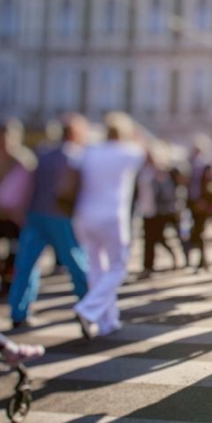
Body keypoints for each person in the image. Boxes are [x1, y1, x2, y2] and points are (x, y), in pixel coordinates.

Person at [6, 113, 91, 329]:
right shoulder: (75, 156)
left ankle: (19, 311)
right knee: (75, 261)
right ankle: (88, 307)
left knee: (27, 264)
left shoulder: (42, 153)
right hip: (60, 216)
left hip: (35, 215)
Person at [71, 112, 146, 338]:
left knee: (96, 268)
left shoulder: (90, 151)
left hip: (85, 215)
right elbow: (151, 153)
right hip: (112, 217)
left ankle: (108, 322)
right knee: (117, 267)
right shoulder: (128, 152)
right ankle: (88, 309)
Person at [0, 119, 36, 298]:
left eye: (6, 137)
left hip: (16, 217)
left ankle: (9, 285)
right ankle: (4, 276)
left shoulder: (24, 160)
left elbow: (30, 190)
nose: (2, 141)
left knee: (15, 253)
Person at [138, 143, 184, 278]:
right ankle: (148, 266)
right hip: (146, 209)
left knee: (157, 238)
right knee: (149, 240)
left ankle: (172, 256)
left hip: (159, 211)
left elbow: (167, 192)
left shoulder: (161, 171)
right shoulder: (143, 171)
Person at [183, 136, 212, 273]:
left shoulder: (207, 165)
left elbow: (210, 186)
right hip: (193, 201)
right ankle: (202, 260)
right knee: (196, 231)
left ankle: (203, 261)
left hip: (202, 202)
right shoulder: (190, 165)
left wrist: (204, 200)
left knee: (200, 231)